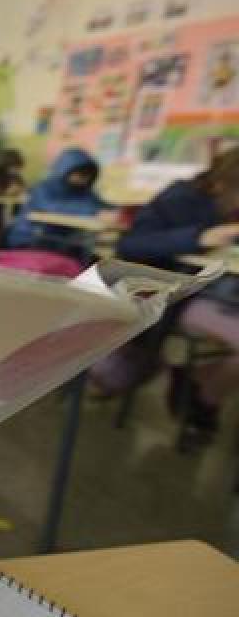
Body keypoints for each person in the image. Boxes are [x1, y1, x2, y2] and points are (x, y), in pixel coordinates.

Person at [98, 147, 239, 447]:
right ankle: (201, 396)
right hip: (184, 294)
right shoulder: (181, 198)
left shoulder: (227, 202)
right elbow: (132, 245)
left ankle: (196, 383)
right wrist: (198, 237)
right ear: (226, 182)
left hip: (221, 292)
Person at [4, 147, 113, 263]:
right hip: (31, 237)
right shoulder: (44, 187)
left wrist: (116, 211)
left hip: (62, 241)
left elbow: (99, 204)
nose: (84, 178)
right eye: (80, 173)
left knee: (92, 258)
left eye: (88, 175)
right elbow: (52, 207)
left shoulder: (83, 191)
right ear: (65, 170)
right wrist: (95, 212)